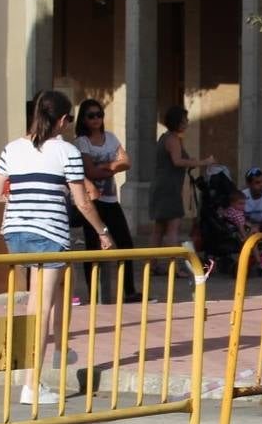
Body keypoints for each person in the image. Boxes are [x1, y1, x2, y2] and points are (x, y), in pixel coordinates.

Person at [0, 91, 115, 405]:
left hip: (15, 232)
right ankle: (32, 385)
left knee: (38, 302)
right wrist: (103, 232)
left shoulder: (13, 148)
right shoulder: (66, 151)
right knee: (42, 307)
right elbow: (82, 201)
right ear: (62, 120)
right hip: (50, 233)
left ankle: (54, 355)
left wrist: (20, 202)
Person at [73, 98, 140, 302]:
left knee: (126, 244)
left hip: (111, 199)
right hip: (92, 201)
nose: (96, 119)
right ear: (83, 119)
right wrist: (112, 165)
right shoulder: (81, 142)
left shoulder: (110, 137)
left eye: (99, 115)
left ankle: (129, 290)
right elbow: (89, 171)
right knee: (92, 248)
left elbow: (127, 162)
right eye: (91, 115)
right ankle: (94, 294)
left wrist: (106, 167)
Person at [151, 106, 214, 250]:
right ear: (178, 122)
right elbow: (177, 161)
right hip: (169, 188)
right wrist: (203, 162)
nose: (187, 122)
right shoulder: (172, 139)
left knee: (159, 229)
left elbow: (177, 160)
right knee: (173, 227)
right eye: (185, 120)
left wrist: (191, 161)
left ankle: (153, 264)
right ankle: (174, 266)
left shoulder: (166, 137)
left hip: (162, 186)